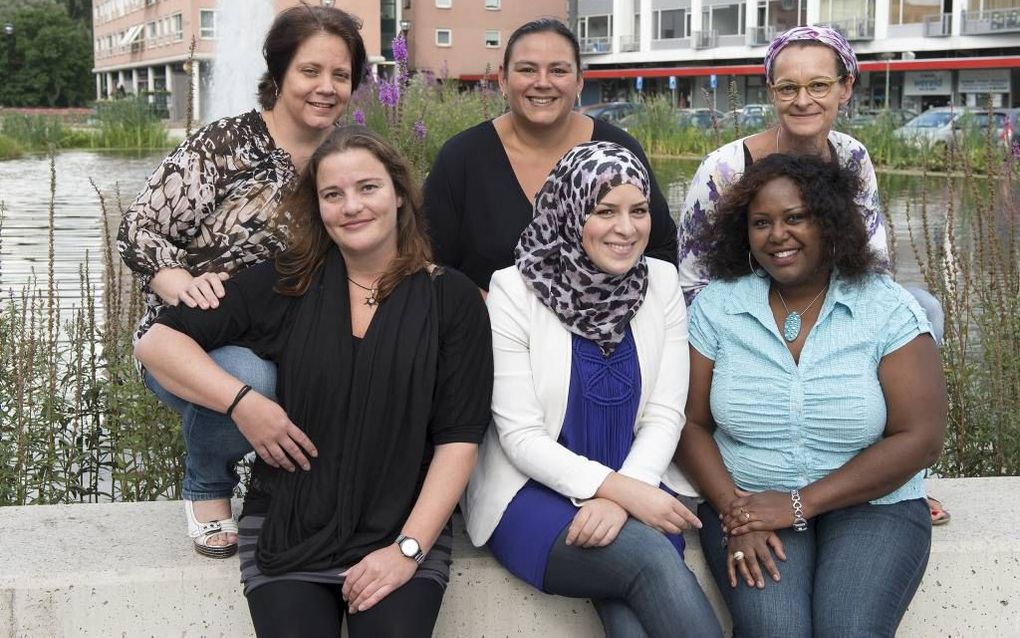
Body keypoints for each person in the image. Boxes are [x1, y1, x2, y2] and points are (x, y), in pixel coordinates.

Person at [134, 125, 493, 636]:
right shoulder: (286, 283)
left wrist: (407, 551)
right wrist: (243, 404)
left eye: (367, 188)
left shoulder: (450, 299)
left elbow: (459, 439)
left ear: (398, 195)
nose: (351, 206)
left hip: (399, 530)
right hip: (289, 524)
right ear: (318, 208)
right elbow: (156, 344)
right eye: (332, 194)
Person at [118, 5, 367, 556]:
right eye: (310, 71)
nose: (326, 88)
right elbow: (138, 228)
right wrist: (178, 280)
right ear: (278, 74)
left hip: (294, 333)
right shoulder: (223, 146)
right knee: (250, 376)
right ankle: (206, 486)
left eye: (341, 75)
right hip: (196, 336)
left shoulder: (344, 157)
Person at [676, 25, 949, 524]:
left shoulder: (852, 157)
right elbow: (691, 283)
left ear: (845, 88)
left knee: (921, 310)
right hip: (739, 316)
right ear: (772, 92)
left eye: (819, 86)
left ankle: (897, 476)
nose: (803, 100)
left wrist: (831, 338)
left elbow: (873, 267)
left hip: (827, 306)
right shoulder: (724, 169)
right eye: (788, 88)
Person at [675, 153, 946, 637]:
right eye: (762, 223)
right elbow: (690, 422)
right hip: (750, 500)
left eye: (795, 217)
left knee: (849, 629)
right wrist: (736, 510)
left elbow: (921, 437)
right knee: (776, 630)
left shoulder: (885, 308)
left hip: (873, 504)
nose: (777, 235)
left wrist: (799, 503)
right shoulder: (719, 306)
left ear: (830, 221)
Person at [462, 141, 722, 638]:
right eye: (605, 211)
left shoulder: (661, 282)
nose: (626, 229)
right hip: (531, 492)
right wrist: (619, 493)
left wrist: (622, 495)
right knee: (645, 557)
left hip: (637, 478)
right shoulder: (514, 292)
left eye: (639, 210)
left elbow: (666, 413)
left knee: (631, 614)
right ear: (571, 211)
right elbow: (521, 437)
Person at [423, 18, 677, 292]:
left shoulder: (618, 151)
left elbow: (661, 250)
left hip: (604, 332)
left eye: (558, 70)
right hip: (486, 329)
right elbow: (428, 262)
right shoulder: (462, 159)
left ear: (579, 81)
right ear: (502, 79)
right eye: (528, 69)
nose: (543, 82)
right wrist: (489, 309)